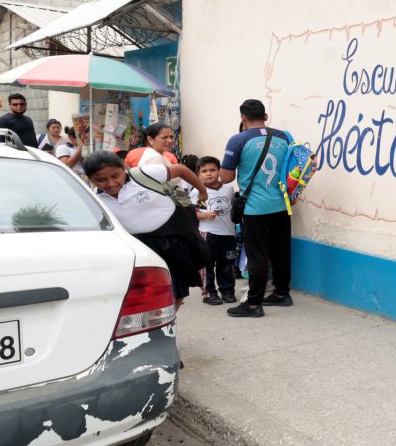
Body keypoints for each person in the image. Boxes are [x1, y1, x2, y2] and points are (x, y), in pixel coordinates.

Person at [83, 151, 208, 309]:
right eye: (101, 180)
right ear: (91, 179)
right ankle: (159, 320)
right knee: (151, 293)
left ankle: (169, 320)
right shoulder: (95, 199)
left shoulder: (143, 174)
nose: (111, 183)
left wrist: (202, 191)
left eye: (115, 176)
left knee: (176, 290)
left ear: (124, 168)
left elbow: (181, 170)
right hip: (141, 247)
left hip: (173, 240)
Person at [220, 99, 294, 318]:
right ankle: (282, 293)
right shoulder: (284, 137)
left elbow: (226, 177)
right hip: (281, 205)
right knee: (281, 251)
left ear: (243, 118)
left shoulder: (238, 140)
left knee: (257, 256)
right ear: (266, 116)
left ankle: (253, 304)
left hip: (254, 208)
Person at [191, 156, 238, 305]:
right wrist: (204, 215)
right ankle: (209, 293)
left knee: (227, 264)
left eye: (212, 170)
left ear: (219, 171)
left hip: (228, 234)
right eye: (204, 171)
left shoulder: (228, 189)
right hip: (208, 233)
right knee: (207, 265)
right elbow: (190, 212)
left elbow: (233, 208)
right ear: (198, 174)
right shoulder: (197, 191)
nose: (209, 173)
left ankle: (227, 291)